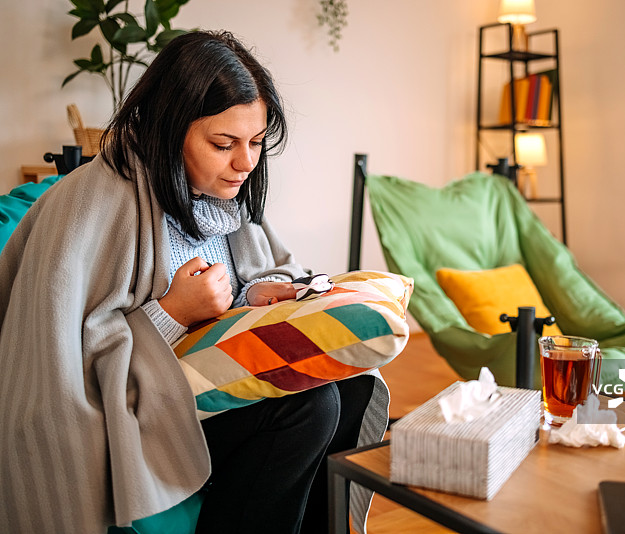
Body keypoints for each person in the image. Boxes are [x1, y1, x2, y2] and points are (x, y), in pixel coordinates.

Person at [0, 30, 388, 534]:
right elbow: (60, 360)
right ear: (168, 129)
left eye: (255, 142)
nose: (246, 163)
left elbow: (246, 276)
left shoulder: (223, 195)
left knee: (347, 382)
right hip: (125, 406)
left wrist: (252, 294)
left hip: (195, 386)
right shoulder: (93, 202)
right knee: (309, 408)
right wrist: (173, 312)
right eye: (223, 143)